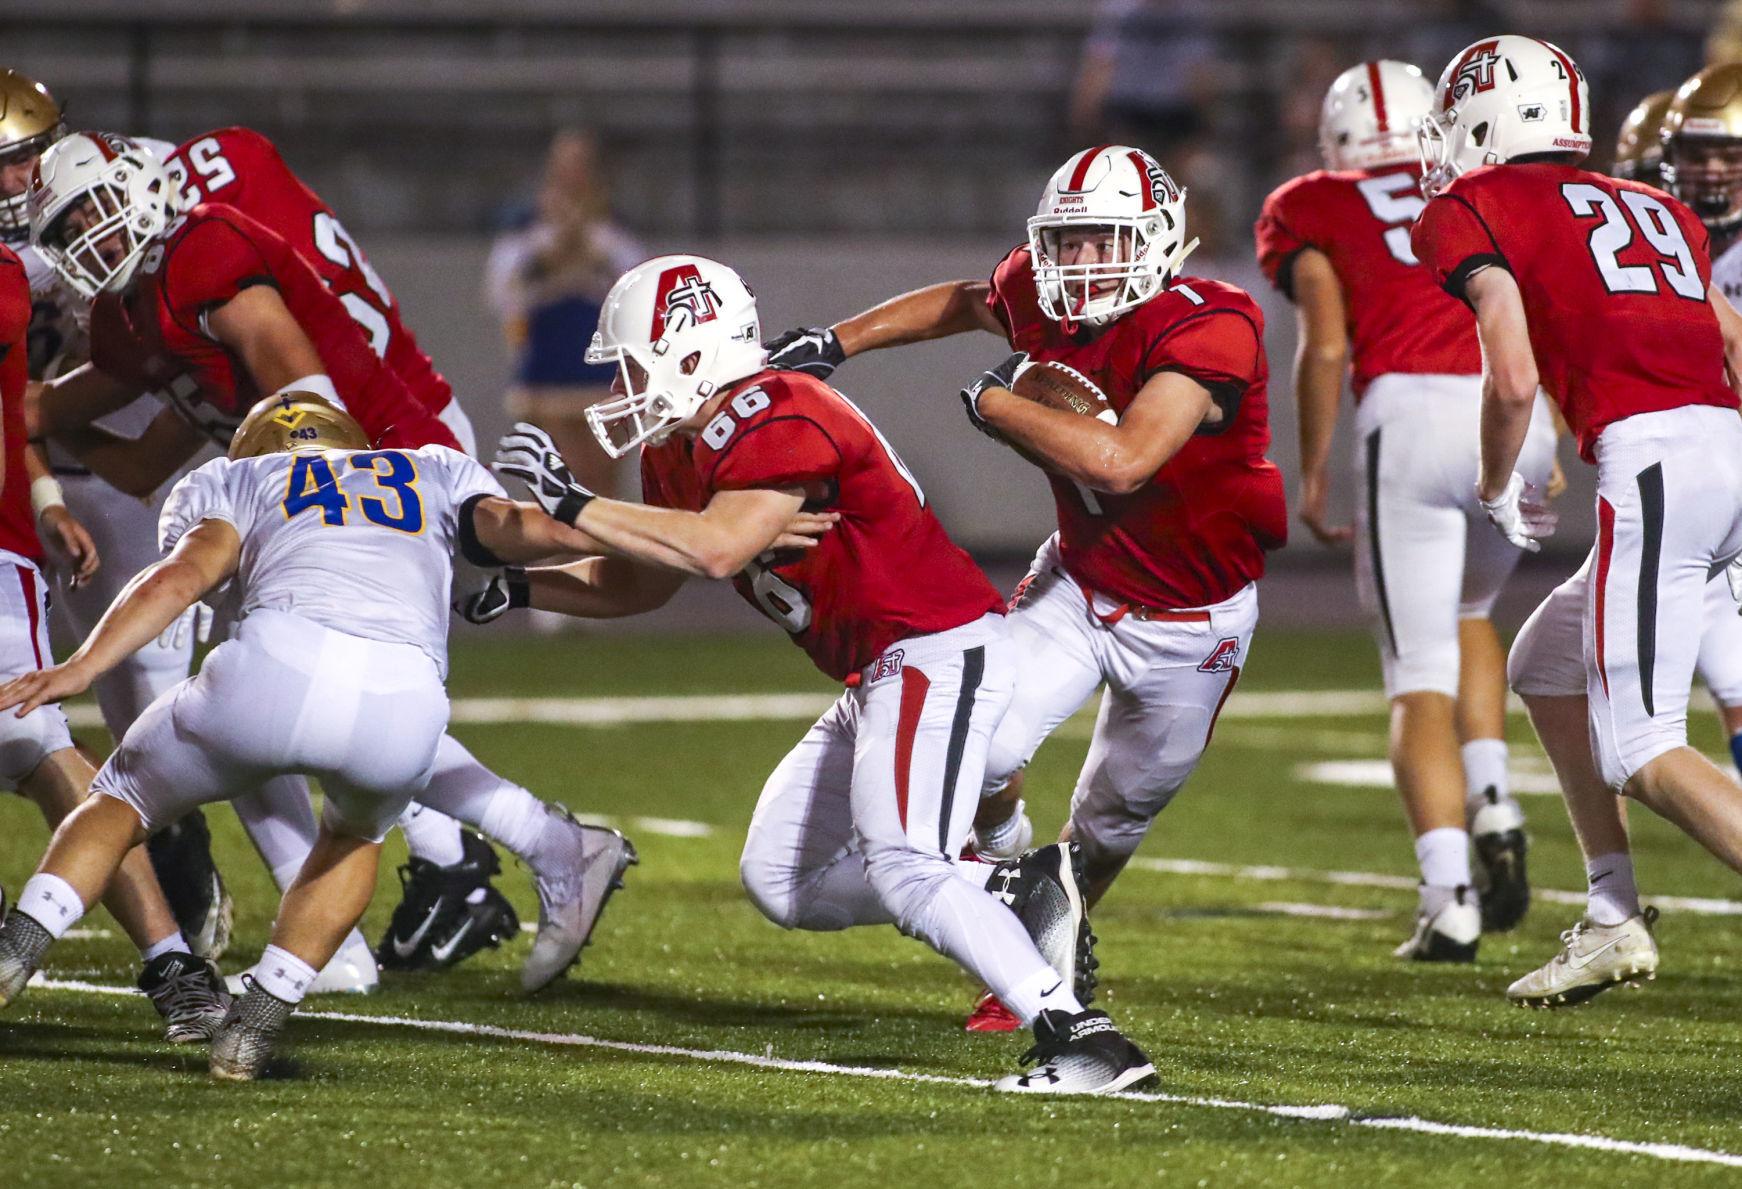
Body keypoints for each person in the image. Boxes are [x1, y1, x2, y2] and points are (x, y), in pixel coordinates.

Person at [482, 253, 1154, 1095]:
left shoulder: (777, 406)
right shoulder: (683, 448)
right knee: (782, 879)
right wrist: (517, 586)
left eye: (633, 360)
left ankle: (1084, 1038)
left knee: (910, 866)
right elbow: (641, 580)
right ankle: (1012, 887)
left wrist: (574, 507)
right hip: (880, 669)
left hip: (932, 645)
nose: (622, 382)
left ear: (691, 352)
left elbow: (718, 545)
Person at [27, 132, 636, 994]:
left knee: (286, 688)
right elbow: (123, 452)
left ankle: (429, 893)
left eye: (95, 207)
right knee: (290, 697)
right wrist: (32, 421)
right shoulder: (135, 317)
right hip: (338, 470)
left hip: (380, 458)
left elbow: (306, 402)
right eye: (69, 225)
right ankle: (538, 848)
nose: (93, 235)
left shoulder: (205, 247)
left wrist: (271, 522)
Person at [763, 145, 1285, 1030]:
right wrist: (837, 342)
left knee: (1113, 818)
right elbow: (969, 299)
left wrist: (1001, 405)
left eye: (1105, 242)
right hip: (1083, 583)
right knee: (987, 751)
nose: (1081, 266)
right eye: (1069, 243)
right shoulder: (1044, 291)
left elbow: (1124, 463)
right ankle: (1016, 891)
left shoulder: (1210, 322)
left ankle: (1065, 920)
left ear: (1157, 240)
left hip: (1195, 621)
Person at [0, 391, 634, 1078]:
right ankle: (255, 1025)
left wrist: (83, 664)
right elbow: (517, 528)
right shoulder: (432, 469)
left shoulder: (241, 476)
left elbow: (183, 575)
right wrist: (598, 520)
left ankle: (18, 947)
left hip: (273, 667)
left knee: (120, 798)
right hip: (406, 698)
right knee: (355, 834)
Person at [1413, 35, 1742, 1008]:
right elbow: (1725, 337)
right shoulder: (1657, 206)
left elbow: (1509, 369)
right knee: (1541, 668)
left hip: (1655, 462)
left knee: (1640, 749)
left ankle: (1614, 913)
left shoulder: (1468, 205)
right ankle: (1610, 914)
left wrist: (1493, 481)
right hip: (1719, 449)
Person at [1254, 61, 1553, 961]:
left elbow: (1327, 342)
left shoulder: (1312, 201)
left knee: (1416, 669)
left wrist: (1311, 473)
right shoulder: (1475, 186)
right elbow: (1532, 309)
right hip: (1516, 419)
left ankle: (1448, 898)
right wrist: (1556, 429)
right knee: (1471, 611)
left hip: (1411, 421)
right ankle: (1494, 790)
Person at [0, 67, 230, 959]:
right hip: (49, 465)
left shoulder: (117, 188)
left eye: (27, 157)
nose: (20, 181)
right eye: (5, 164)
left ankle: (176, 874)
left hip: (127, 469)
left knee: (156, 708)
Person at [485, 129, 643, 497]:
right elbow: (500, 292)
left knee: (602, 479)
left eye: (582, 164)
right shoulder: (526, 226)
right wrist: (549, 263)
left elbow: (637, 286)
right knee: (558, 477)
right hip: (548, 366)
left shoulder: (613, 227)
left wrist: (589, 254)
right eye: (565, 164)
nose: (574, 174)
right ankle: (557, 555)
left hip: (603, 367)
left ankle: (607, 554)